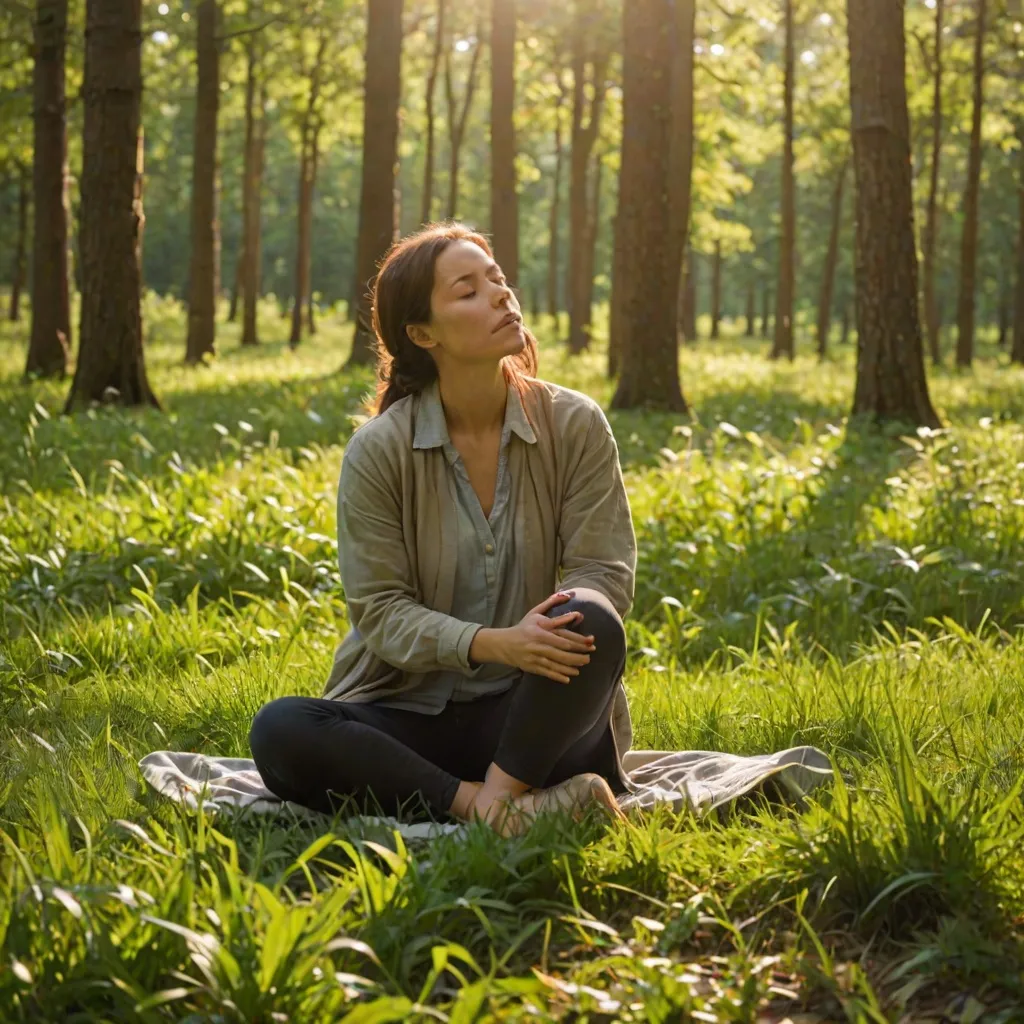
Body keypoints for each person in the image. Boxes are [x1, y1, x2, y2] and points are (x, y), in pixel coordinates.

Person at [249, 222, 638, 836]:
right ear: (422, 333)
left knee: (594, 617)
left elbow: (604, 570)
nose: (501, 295)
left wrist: (537, 640)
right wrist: (492, 641)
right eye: (468, 290)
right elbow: (379, 612)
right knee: (280, 730)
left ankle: (501, 799)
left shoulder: (575, 423)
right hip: (410, 718)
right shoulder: (379, 451)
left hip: (533, 724)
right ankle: (494, 810)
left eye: (499, 281)